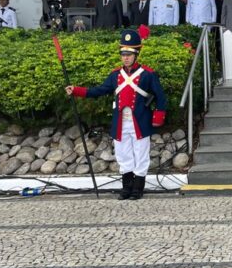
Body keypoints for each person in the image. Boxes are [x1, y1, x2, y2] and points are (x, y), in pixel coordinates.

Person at [66, 28, 167, 201]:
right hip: (121, 122)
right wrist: (77, 90)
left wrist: (158, 115)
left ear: (136, 54)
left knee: (141, 154)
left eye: (129, 54)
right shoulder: (115, 75)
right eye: (123, 54)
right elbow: (99, 90)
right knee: (123, 154)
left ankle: (138, 189)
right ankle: (127, 187)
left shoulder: (148, 74)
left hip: (140, 121)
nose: (125, 57)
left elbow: (161, 97)